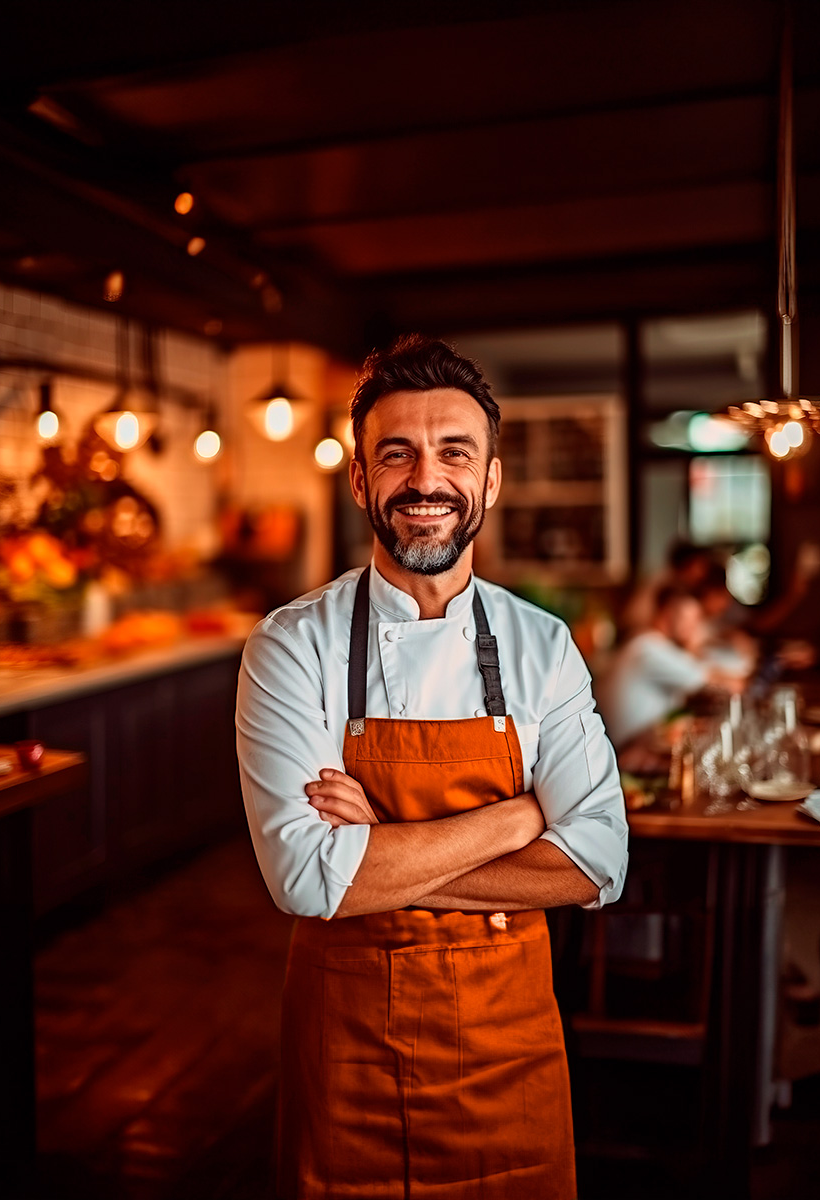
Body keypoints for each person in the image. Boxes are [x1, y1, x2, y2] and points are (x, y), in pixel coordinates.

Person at [236, 334, 629, 1200]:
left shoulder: (542, 646)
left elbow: (599, 861)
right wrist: (520, 816)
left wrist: (383, 848)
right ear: (360, 479)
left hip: (507, 1046)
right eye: (397, 454)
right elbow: (307, 880)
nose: (425, 481)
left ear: (490, 480)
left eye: (454, 453)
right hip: (347, 1056)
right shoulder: (290, 646)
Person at [597, 586, 746, 770]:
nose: (694, 628)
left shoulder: (644, 643)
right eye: (688, 620)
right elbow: (714, 679)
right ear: (667, 615)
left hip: (637, 745)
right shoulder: (649, 648)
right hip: (630, 756)